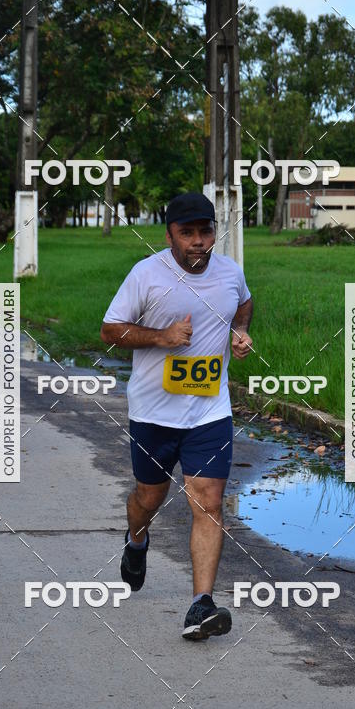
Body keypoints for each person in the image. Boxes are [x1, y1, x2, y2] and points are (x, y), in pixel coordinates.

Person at [100, 192, 253, 640]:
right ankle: (136, 540)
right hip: (153, 412)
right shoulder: (146, 275)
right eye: (187, 233)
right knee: (149, 498)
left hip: (209, 411)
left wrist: (239, 332)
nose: (198, 241)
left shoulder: (229, 272)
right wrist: (161, 337)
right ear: (168, 236)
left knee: (208, 500)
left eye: (205, 231)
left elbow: (243, 302)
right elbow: (110, 329)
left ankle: (201, 605)